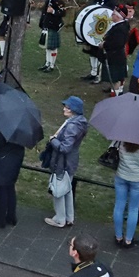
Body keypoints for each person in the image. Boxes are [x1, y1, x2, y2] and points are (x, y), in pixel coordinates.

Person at [44, 96, 89, 228]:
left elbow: (65, 147)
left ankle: (59, 219)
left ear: (74, 110)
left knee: (58, 190)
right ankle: (69, 217)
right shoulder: (79, 122)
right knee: (67, 189)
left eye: (67, 107)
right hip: (71, 161)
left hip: (63, 162)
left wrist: (53, 140)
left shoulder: (72, 126)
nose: (64, 109)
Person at [81, 0, 117, 82]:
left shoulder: (112, 2)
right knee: (92, 52)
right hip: (94, 29)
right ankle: (93, 72)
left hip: (104, 30)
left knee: (100, 53)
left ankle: (99, 75)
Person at [97, 5, 130, 94]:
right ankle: (113, 91)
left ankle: (115, 94)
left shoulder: (120, 28)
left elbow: (117, 44)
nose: (111, 15)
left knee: (116, 78)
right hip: (115, 55)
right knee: (113, 76)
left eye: (113, 14)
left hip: (115, 56)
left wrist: (104, 44)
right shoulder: (119, 26)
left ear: (118, 17)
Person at [38, 0, 66, 72]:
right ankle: (47, 63)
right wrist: (42, 23)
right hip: (46, 25)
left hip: (54, 26)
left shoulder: (60, 3)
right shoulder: (48, 1)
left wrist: (53, 11)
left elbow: (62, 13)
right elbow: (44, 13)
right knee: (47, 46)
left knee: (53, 47)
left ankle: (52, 65)